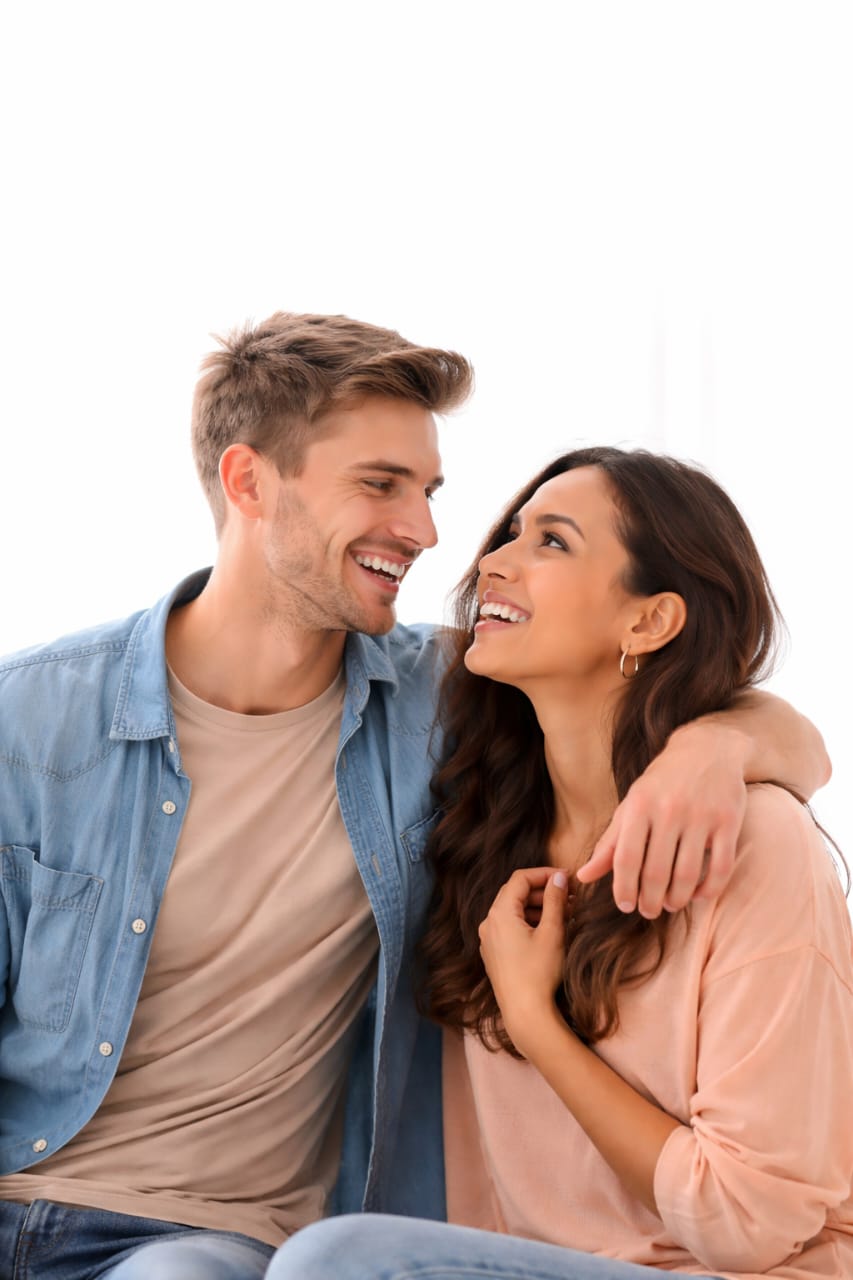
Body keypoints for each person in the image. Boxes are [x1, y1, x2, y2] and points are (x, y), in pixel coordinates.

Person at [0, 315, 829, 1280]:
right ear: (248, 482)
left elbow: (711, 704)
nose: (431, 535)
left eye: (428, 492)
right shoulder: (34, 719)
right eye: (380, 484)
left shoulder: (439, 707)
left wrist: (718, 746)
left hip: (201, 1243)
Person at [265, 446, 852, 1280]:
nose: (492, 562)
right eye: (510, 533)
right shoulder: (476, 814)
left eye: (551, 541)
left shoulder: (752, 843)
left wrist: (532, 1020)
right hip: (523, 1265)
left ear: (648, 622)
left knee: (338, 1262)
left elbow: (747, 1225)